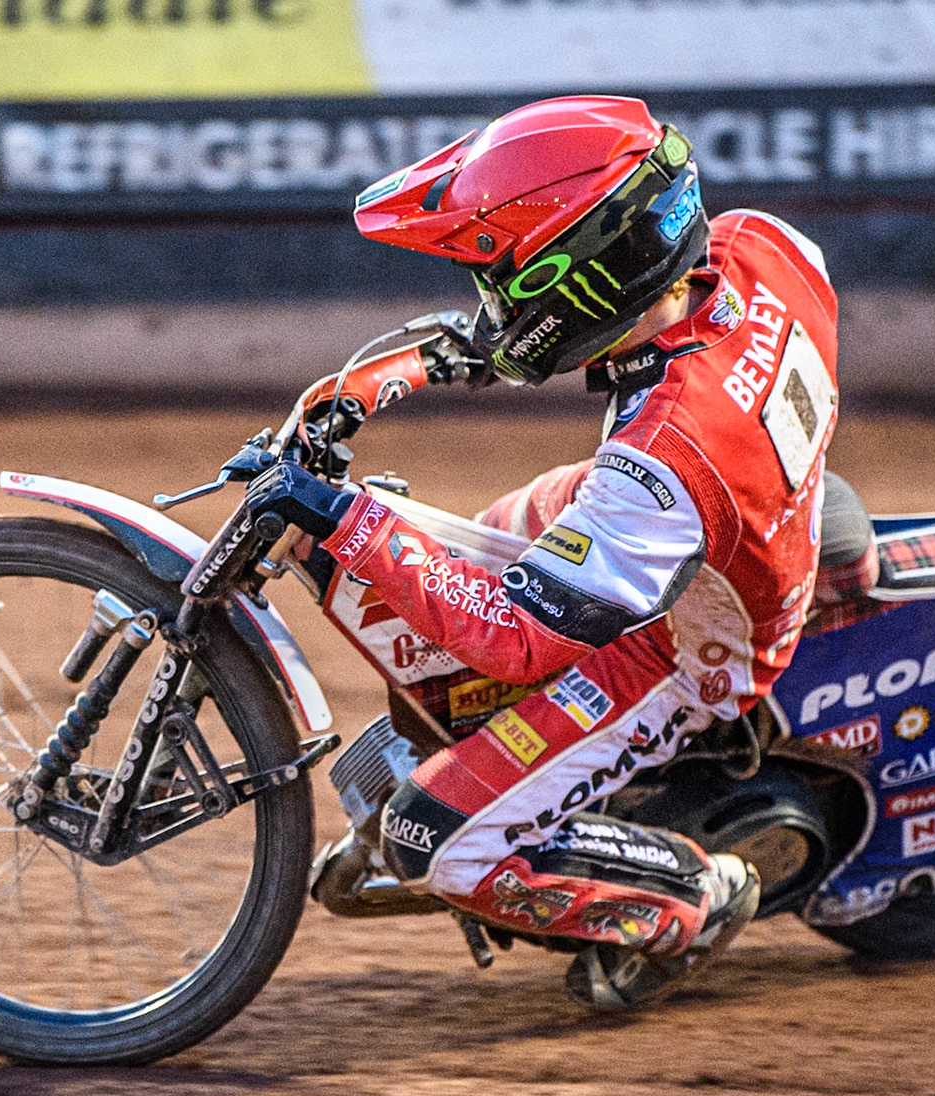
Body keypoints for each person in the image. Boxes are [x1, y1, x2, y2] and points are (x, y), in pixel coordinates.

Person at [245, 95, 840, 1010]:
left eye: (507, 280)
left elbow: (516, 638)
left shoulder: (664, 463)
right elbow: (551, 334)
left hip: (688, 646)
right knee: (442, 581)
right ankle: (494, 767)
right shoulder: (758, 246)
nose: (490, 303)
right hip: (686, 524)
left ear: (589, 275)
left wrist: (347, 524)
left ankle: (688, 899)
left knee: (429, 840)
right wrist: (376, 386)